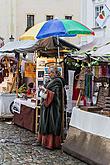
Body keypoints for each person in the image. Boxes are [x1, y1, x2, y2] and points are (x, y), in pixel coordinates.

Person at [37, 67, 66, 149]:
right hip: (47, 106)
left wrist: (46, 91)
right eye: (49, 73)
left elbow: (56, 95)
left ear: (56, 73)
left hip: (53, 107)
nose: (49, 74)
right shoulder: (51, 81)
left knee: (51, 124)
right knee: (45, 123)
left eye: (51, 73)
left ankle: (51, 143)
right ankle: (43, 141)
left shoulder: (57, 82)